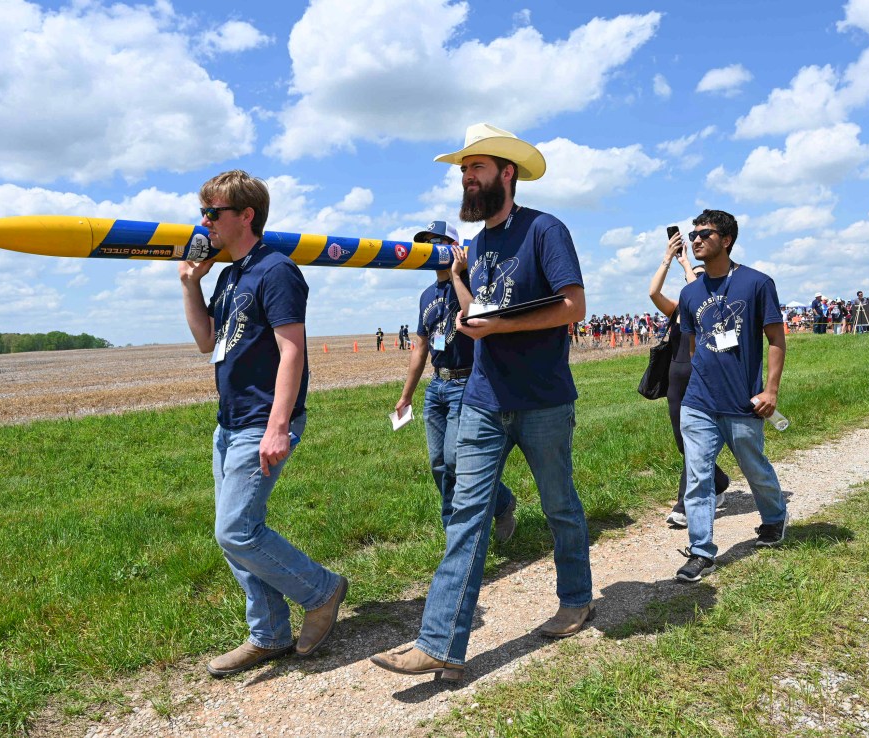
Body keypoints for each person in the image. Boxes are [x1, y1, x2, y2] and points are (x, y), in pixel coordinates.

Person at [371, 123, 594, 681]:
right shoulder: (476, 245)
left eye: (475, 168)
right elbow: (479, 312)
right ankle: (441, 644)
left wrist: (496, 326)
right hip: (482, 397)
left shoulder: (545, 231)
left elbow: (573, 307)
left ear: (506, 173)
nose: (466, 178)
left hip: (542, 399)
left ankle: (577, 598)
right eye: (463, 171)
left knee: (560, 503)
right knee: (466, 516)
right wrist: (466, 294)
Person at [178, 170, 348, 678]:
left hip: (262, 420)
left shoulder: (277, 271)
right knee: (233, 532)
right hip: (228, 422)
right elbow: (208, 341)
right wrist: (191, 284)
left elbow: (292, 350)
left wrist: (278, 426)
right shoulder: (230, 275)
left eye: (213, 213)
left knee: (235, 530)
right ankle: (269, 633)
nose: (203, 222)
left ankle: (323, 591)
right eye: (203, 212)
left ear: (245, 215)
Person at [674, 209, 790, 583]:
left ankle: (774, 519)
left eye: (703, 234)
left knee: (754, 467)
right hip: (699, 403)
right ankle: (701, 550)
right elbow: (694, 348)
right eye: (693, 234)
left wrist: (770, 389)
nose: (695, 240)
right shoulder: (690, 292)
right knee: (697, 477)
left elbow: (776, 340)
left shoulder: (757, 284)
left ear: (725, 239)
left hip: (743, 402)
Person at [394, 219, 517, 538]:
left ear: (456, 247)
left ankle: (471, 523)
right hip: (438, 386)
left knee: (455, 459)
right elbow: (421, 345)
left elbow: (480, 316)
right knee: (438, 462)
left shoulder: (471, 283)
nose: (430, 249)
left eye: (438, 242)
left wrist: (458, 274)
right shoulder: (425, 295)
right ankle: (483, 512)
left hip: (468, 383)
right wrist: (406, 395)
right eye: (425, 243)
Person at [648, 233, 730, 528]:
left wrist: (688, 268)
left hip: (704, 383)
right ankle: (718, 482)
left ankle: (683, 505)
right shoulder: (677, 311)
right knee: (684, 444)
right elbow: (653, 293)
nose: (696, 280)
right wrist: (669, 258)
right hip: (675, 383)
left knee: (694, 441)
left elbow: (701, 293)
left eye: (701, 277)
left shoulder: (715, 315)